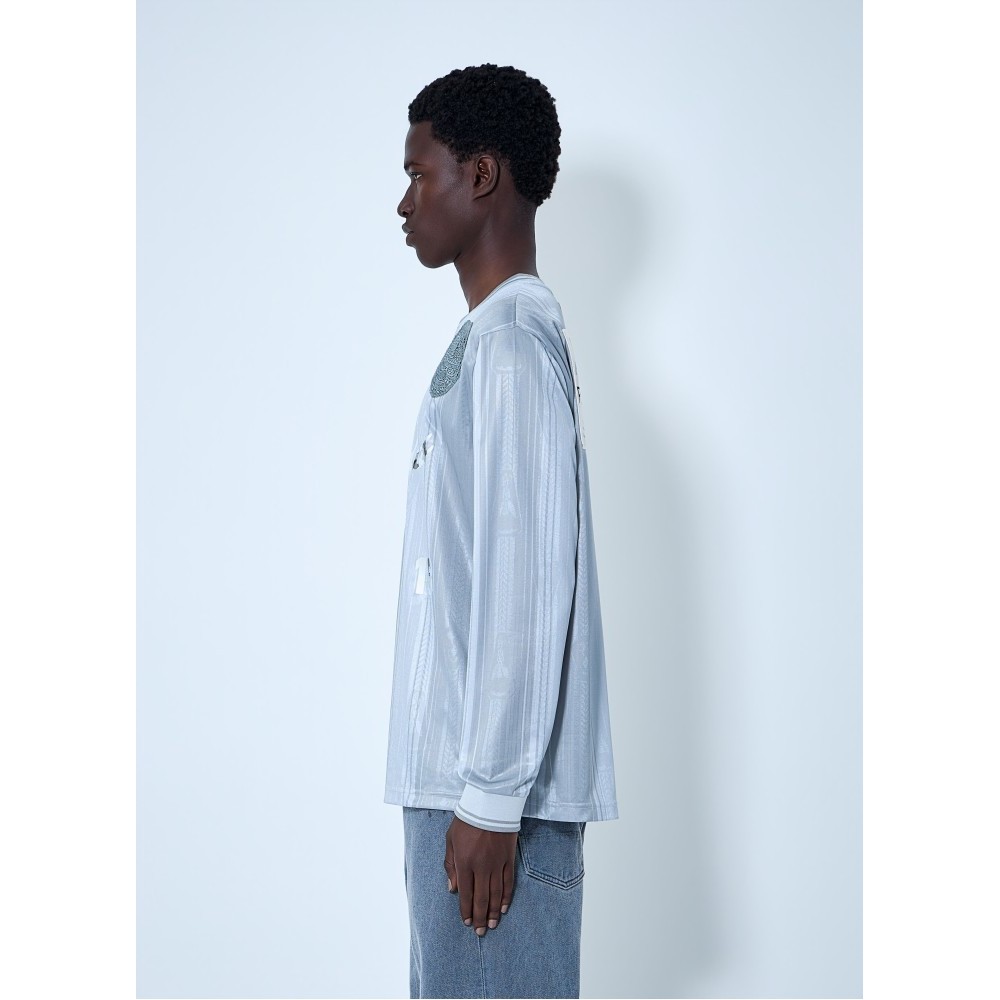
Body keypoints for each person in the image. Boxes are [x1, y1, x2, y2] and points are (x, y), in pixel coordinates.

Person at [383, 63, 619, 1000]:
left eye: (419, 174)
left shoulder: (513, 348)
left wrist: (488, 797)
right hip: (470, 791)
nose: (404, 203)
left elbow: (525, 582)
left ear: (480, 175)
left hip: (489, 801)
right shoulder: (495, 340)